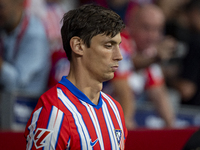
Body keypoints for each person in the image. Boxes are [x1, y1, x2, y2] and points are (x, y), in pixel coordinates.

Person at [24, 4, 127, 150]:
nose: (119, 56)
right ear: (78, 46)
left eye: (119, 45)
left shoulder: (114, 109)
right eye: (109, 45)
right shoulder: (54, 112)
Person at [109, 3, 176, 129]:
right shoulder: (118, 42)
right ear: (131, 24)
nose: (152, 35)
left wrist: (172, 128)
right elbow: (124, 89)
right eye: (146, 28)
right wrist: (128, 124)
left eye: (157, 29)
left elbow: (158, 93)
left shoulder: (149, 52)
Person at [0, 0, 50, 130]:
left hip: (25, 117)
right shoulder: (5, 28)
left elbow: (16, 83)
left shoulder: (35, 34)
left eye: (1, 7)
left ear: (19, 3)